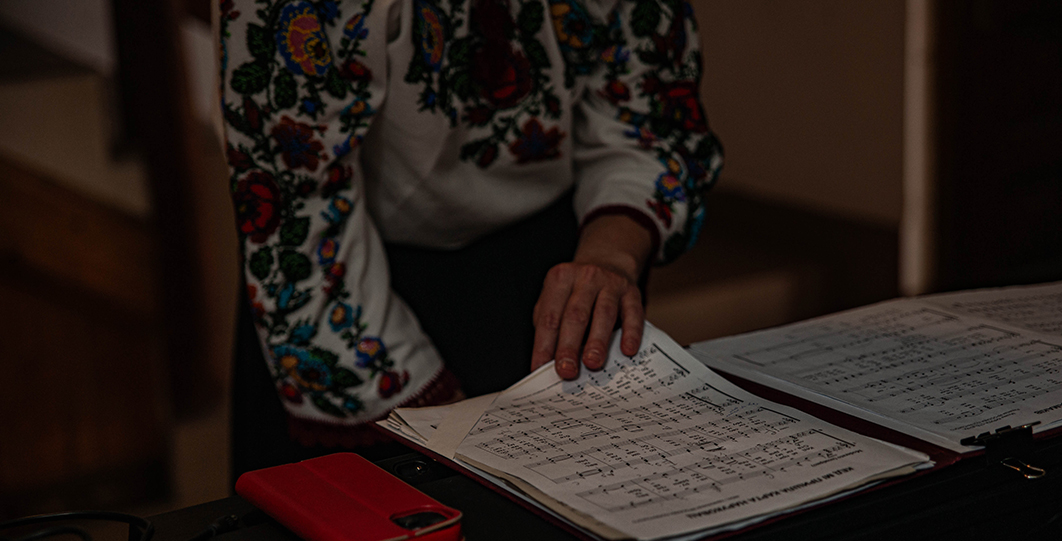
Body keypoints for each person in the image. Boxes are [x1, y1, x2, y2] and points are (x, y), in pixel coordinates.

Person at [220, 0, 722, 474]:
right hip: (349, 275)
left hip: (553, 266)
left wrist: (610, 256)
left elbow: (647, 112)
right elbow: (296, 192)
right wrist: (434, 415)